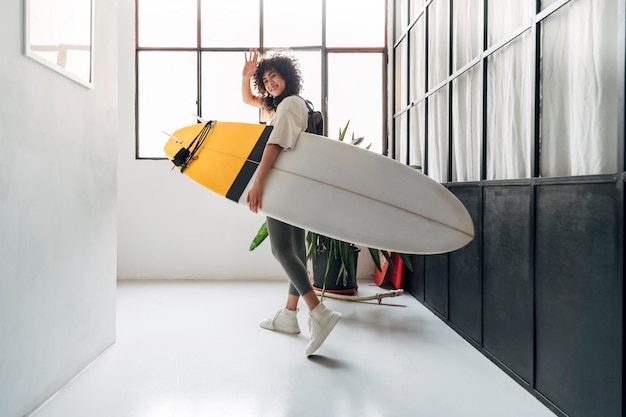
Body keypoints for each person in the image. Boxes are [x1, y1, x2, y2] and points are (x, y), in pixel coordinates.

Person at [241, 48, 341, 357]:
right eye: (266, 79)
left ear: (288, 77)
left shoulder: (289, 106)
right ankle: (288, 314)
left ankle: (318, 312)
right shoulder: (293, 106)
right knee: (297, 249)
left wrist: (257, 183)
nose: (269, 83)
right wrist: (247, 75)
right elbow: (249, 100)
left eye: (274, 76)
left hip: (282, 185)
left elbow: (275, 144)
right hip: (299, 187)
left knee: (280, 248)